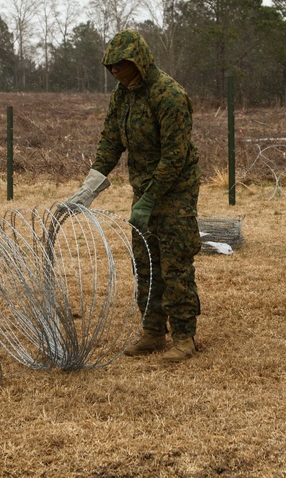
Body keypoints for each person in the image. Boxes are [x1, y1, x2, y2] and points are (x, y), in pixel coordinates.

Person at [66, 29, 202, 362]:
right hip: (144, 190)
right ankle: (153, 331)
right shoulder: (124, 95)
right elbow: (111, 141)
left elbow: (175, 155)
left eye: (120, 65)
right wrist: (90, 186)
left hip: (175, 191)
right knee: (146, 264)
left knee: (175, 265)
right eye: (110, 67)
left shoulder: (169, 96)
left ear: (138, 61)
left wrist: (152, 198)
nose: (114, 71)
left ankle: (185, 337)